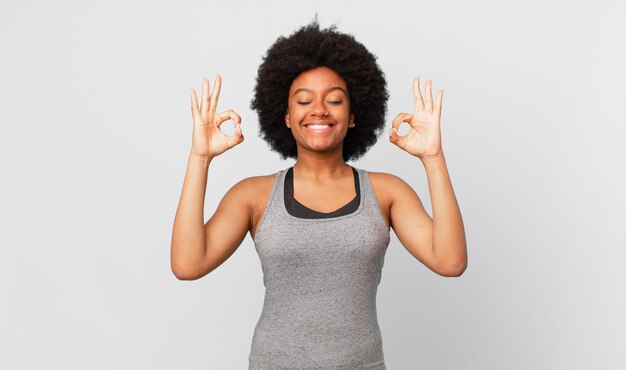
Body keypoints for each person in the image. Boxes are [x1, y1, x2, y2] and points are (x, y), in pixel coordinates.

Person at [171, 20, 467, 370]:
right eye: (304, 100)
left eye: (335, 100)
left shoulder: (387, 192)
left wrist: (433, 158)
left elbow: (450, 262)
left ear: (354, 115)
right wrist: (200, 158)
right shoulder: (253, 195)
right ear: (285, 115)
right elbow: (188, 265)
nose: (320, 110)